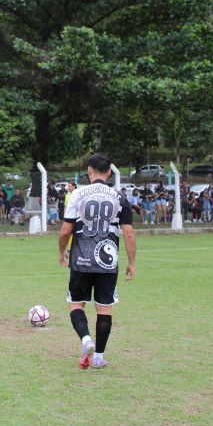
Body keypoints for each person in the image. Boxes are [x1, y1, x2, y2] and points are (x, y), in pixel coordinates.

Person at [59, 154, 136, 370]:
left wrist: (61, 252)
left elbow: (65, 231)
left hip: (81, 259)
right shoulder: (120, 197)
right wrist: (132, 263)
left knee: (76, 304)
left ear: (89, 171)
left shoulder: (77, 194)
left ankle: (85, 339)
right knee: (104, 309)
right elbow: (129, 233)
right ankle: (99, 357)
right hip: (107, 261)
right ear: (110, 172)